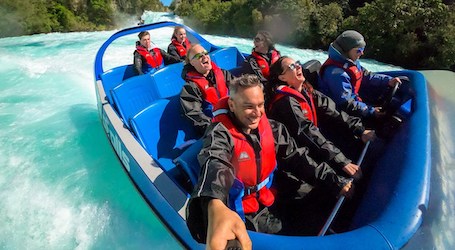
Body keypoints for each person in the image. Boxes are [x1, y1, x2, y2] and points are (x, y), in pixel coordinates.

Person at [186, 74, 354, 249]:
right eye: (249, 107)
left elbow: (298, 157)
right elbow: (215, 162)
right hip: (244, 209)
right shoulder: (219, 134)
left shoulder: (273, 129)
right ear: (232, 105)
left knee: (322, 197)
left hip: (269, 193)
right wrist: (215, 203)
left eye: (260, 105)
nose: (257, 113)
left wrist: (334, 180)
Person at [266, 56, 375, 170]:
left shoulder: (307, 90)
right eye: (292, 66)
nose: (298, 66)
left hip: (313, 145)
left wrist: (360, 130)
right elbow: (307, 132)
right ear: (282, 77)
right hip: (299, 157)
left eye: (298, 63)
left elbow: (333, 111)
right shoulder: (285, 102)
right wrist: (341, 161)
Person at [318, 30, 403, 123]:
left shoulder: (349, 62)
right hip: (339, 115)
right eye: (359, 50)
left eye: (362, 50)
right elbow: (346, 103)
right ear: (347, 50)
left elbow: (366, 75)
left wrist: (388, 81)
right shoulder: (336, 74)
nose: (362, 53)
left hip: (354, 104)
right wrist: (370, 111)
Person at [179, 44, 235, 136]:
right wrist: (218, 130)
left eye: (205, 53)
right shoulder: (190, 88)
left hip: (235, 118)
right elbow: (195, 115)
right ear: (192, 63)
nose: (204, 56)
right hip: (215, 131)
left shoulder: (223, 74)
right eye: (199, 55)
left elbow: (240, 91)